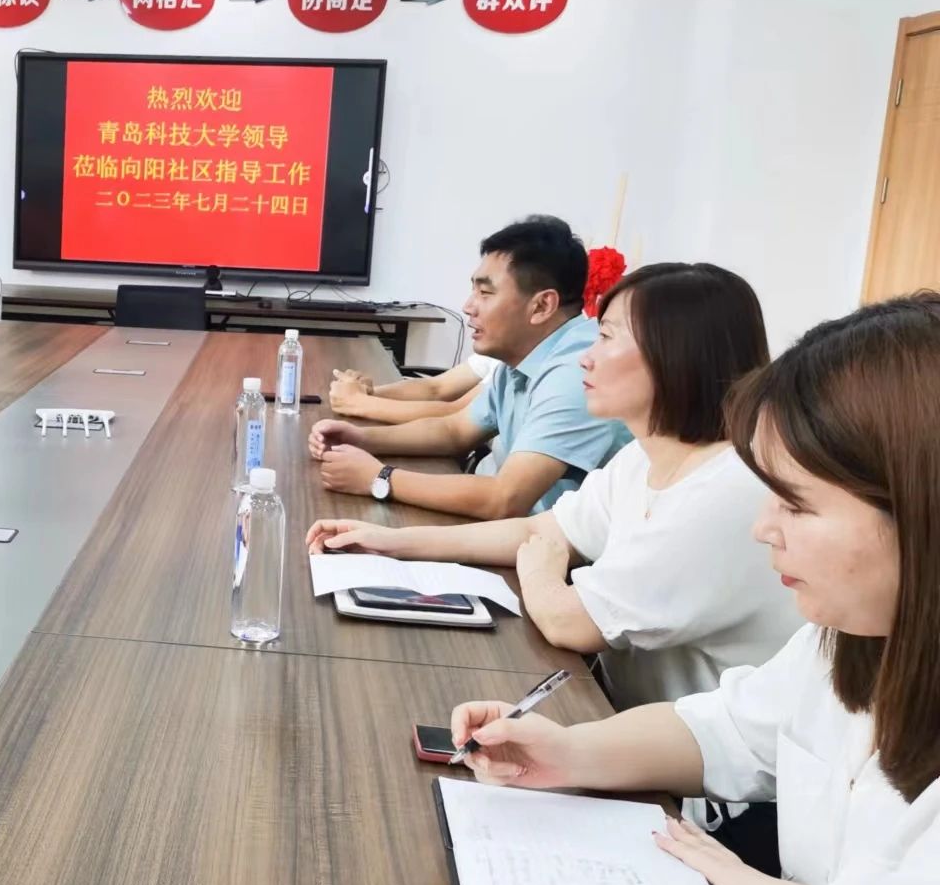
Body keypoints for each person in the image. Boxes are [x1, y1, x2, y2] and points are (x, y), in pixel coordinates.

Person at [447, 294, 940, 885]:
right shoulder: (849, 640)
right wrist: (569, 752)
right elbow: (724, 729)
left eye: (797, 504)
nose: (763, 527)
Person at [309, 263, 798, 710]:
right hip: (620, 708)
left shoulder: (726, 490)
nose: (587, 357)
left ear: (676, 355)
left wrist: (542, 571)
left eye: (606, 337)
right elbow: (538, 531)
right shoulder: (645, 457)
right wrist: (390, 542)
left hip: (693, 764)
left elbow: (569, 621)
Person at [308, 215, 628, 517]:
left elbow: (506, 499)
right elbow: (455, 431)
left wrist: (379, 478)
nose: (468, 306)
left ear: (542, 306)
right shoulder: (523, 356)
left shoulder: (578, 371)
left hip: (558, 550)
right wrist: (361, 439)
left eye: (485, 293)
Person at [328, 353, 498, 425]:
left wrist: (358, 402)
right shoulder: (496, 355)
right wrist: (368, 392)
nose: (467, 307)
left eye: (485, 293)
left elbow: (459, 413)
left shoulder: (508, 366)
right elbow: (436, 388)